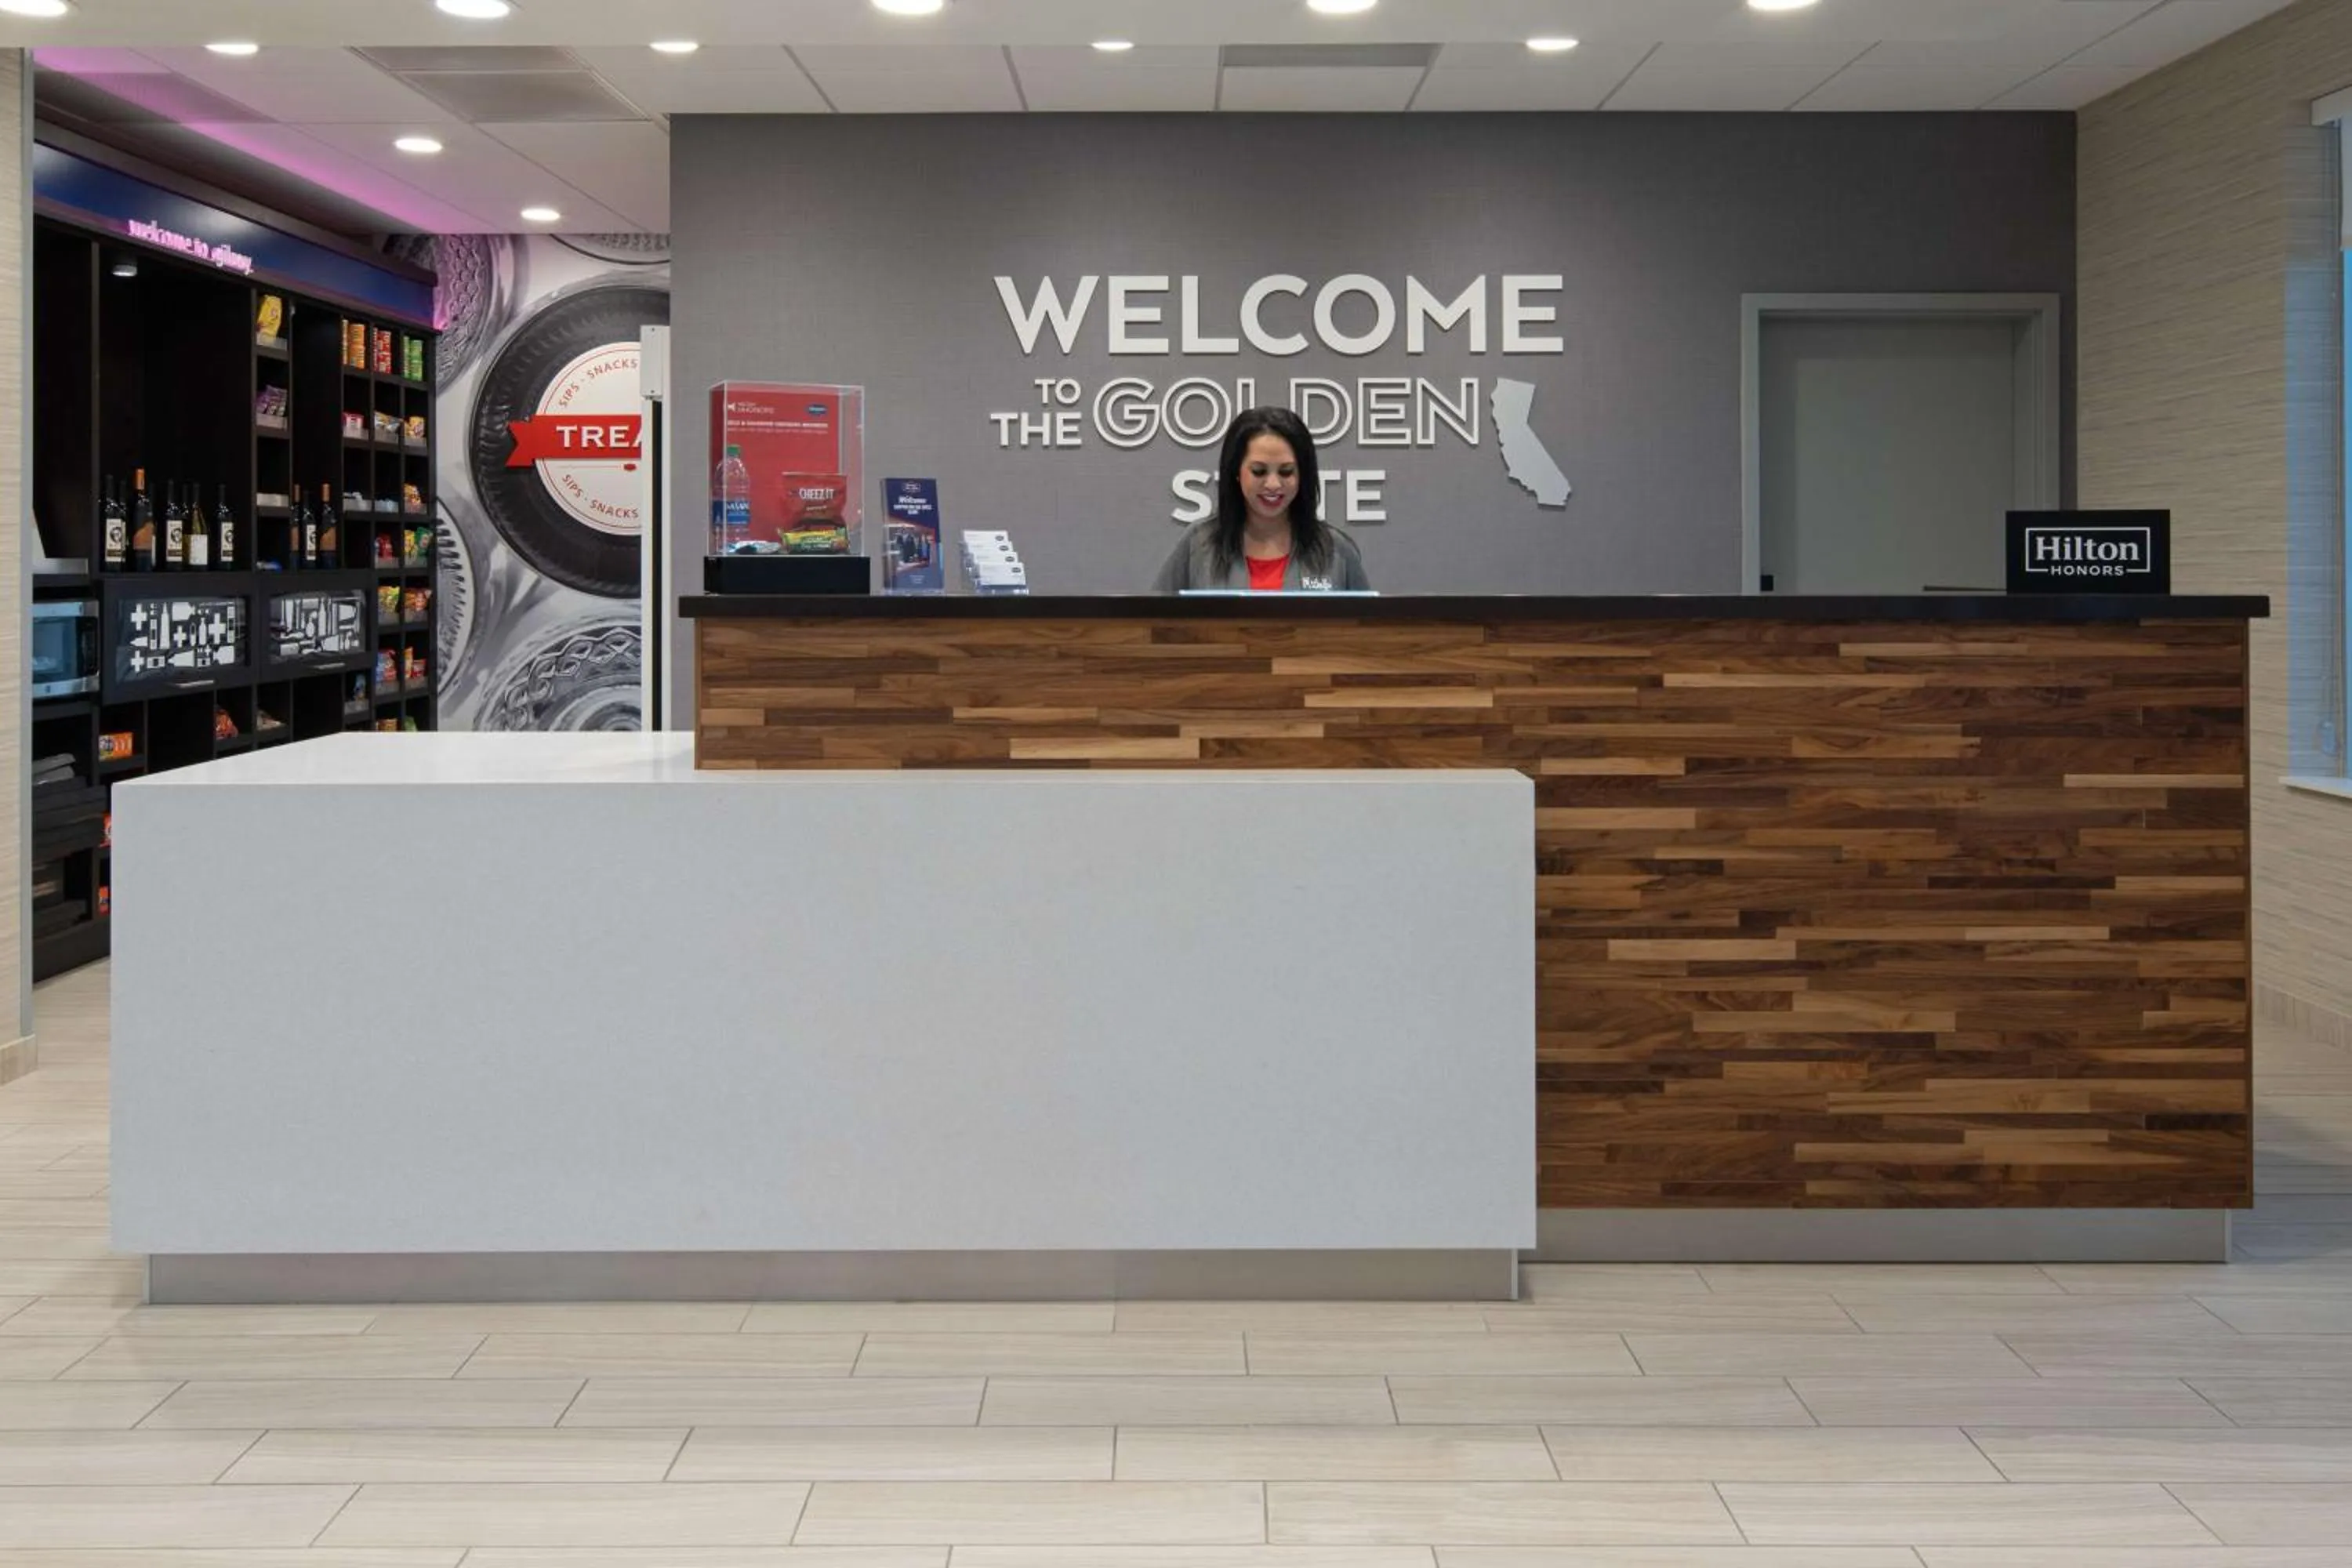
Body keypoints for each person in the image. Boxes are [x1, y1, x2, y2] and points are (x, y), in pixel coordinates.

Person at [1151, 406, 1372, 592]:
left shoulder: (1336, 550)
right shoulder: (1199, 544)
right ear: (1236, 471)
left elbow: (1369, 634)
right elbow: (1153, 627)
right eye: (1259, 471)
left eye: (1286, 471)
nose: (1273, 484)